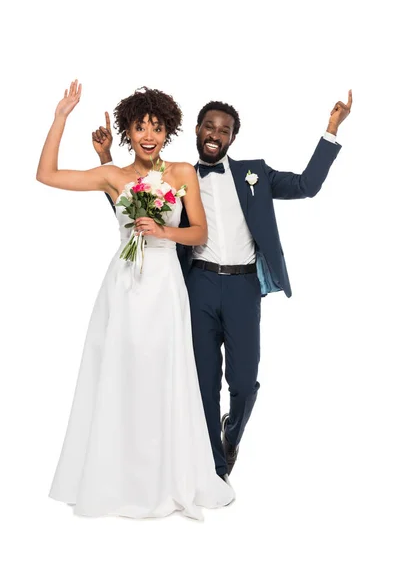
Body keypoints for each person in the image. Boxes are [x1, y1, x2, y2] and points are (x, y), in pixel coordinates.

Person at [98, 90, 352, 479]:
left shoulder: (255, 173)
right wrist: (104, 161)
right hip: (196, 285)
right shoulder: (175, 175)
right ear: (197, 131)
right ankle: (215, 468)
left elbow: (306, 185)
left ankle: (230, 435)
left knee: (245, 382)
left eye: (225, 130)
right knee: (202, 382)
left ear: (233, 137)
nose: (216, 134)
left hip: (243, 287)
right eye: (209, 127)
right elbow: (131, 209)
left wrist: (331, 130)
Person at [37, 80, 235, 521]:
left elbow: (199, 232)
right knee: (122, 371)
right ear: (128, 130)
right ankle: (118, 477)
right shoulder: (114, 176)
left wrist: (164, 231)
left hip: (165, 285)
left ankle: (166, 476)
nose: (149, 134)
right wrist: (60, 118)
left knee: (162, 372)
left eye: (158, 126)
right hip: (125, 284)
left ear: (168, 131)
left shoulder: (182, 173)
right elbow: (46, 175)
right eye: (141, 126)